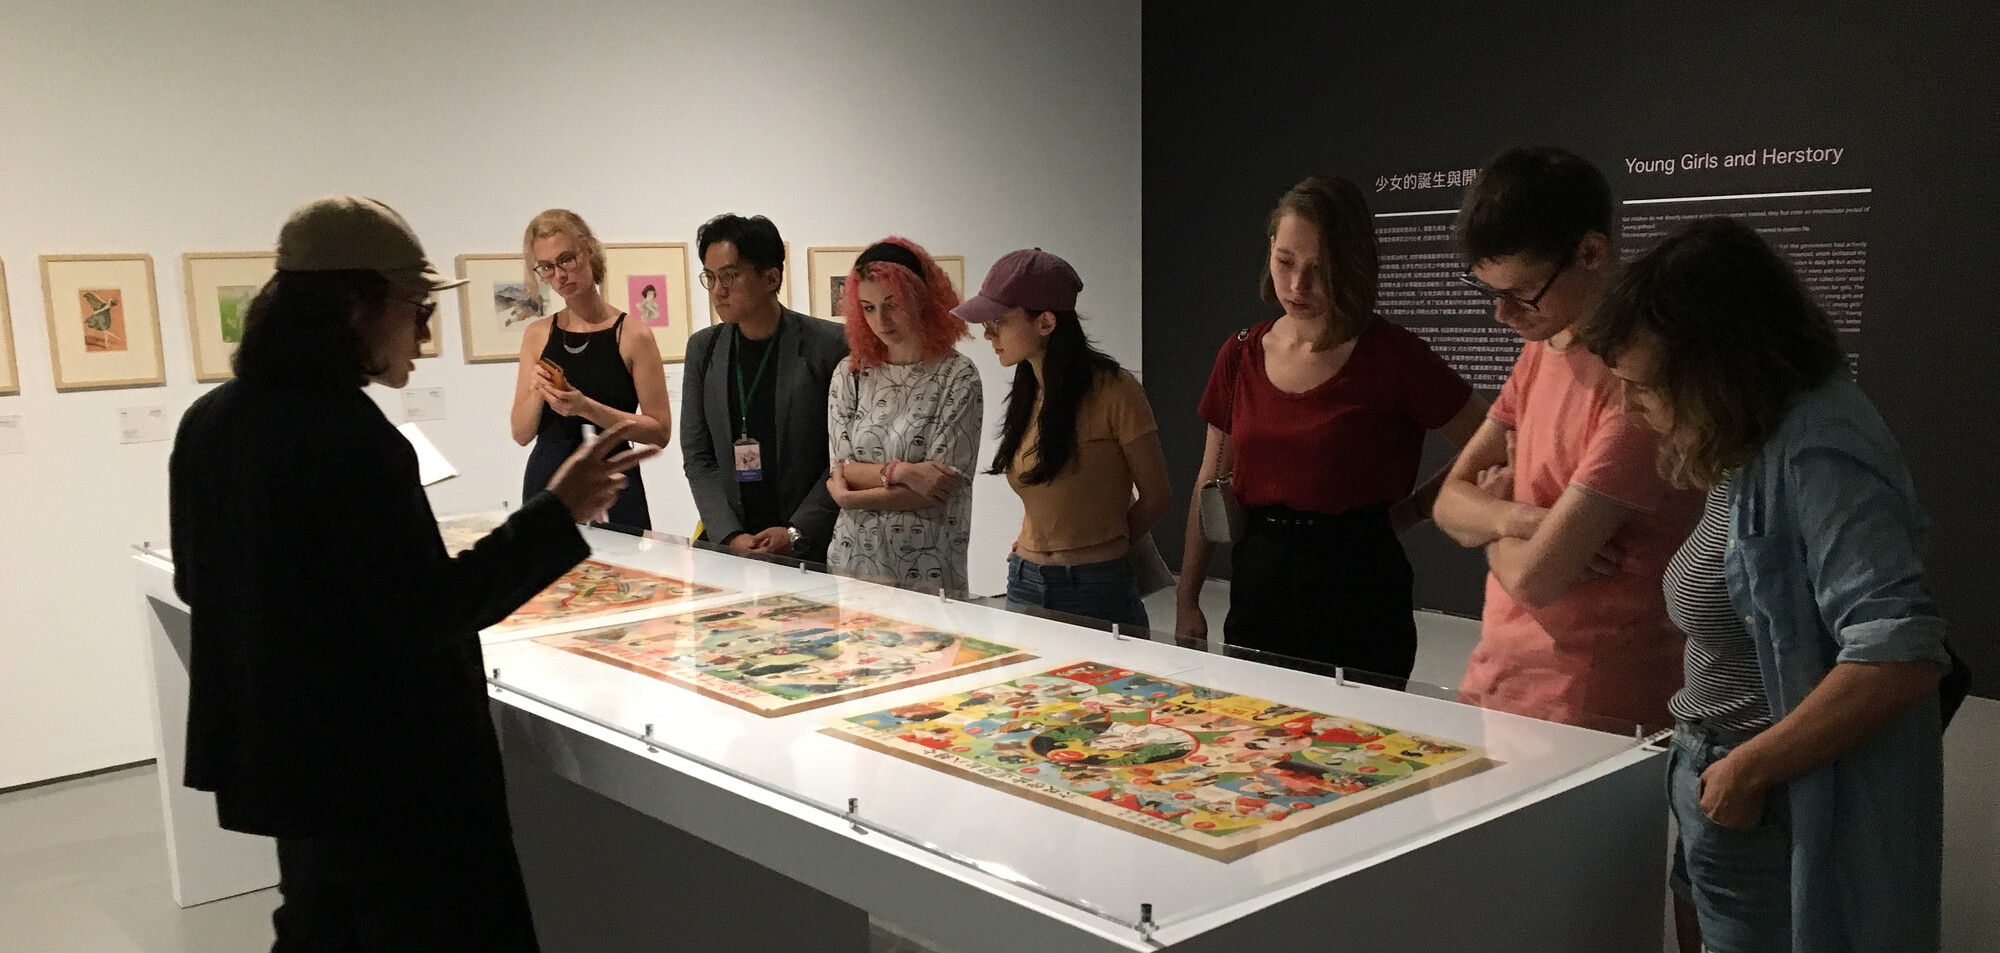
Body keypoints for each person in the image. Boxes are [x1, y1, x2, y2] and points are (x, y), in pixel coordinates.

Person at [169, 195, 654, 952]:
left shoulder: (212, 422)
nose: (425, 333)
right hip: (392, 782)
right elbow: (428, 610)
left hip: (297, 770)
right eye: (416, 308)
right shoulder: (349, 438)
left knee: (319, 924)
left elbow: (198, 584)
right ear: (352, 306)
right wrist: (558, 513)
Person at [1575, 216, 1949, 953]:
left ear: (1718, 367)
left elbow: (1898, 654)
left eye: (1646, 386)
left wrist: (1745, 771)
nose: (1627, 407)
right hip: (1730, 779)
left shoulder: (1817, 449)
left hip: (1764, 793)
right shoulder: (1755, 439)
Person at [1431, 146, 1703, 731]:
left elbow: (1539, 579)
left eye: (1522, 292)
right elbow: (1447, 502)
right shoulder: (1544, 346)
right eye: (1492, 293)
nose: (1503, 314)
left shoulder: (1639, 384)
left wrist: (1493, 519)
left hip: (1591, 703)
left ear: (1591, 253)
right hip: (1499, 679)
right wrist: (1523, 521)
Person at [1176, 176, 1485, 680]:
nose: (1298, 286)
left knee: (1360, 727)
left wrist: (1417, 508)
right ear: (1269, 251)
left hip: (1358, 583)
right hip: (1261, 579)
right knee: (1258, 721)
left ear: (1352, 264)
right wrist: (1187, 597)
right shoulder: (1241, 353)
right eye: (1286, 262)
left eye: (1320, 269)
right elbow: (1209, 477)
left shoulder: (1394, 356)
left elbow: (1491, 440)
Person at [954, 248, 1169, 629]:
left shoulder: (1116, 390)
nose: (988, 333)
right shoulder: (1027, 390)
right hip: (1025, 579)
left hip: (1097, 586)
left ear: (1046, 322)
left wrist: (1106, 545)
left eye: (999, 321)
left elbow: (1157, 496)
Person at [684, 213, 848, 561]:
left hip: (810, 545)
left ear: (771, 278)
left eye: (729, 276)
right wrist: (729, 534)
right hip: (730, 546)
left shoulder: (829, 346)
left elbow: (843, 454)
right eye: (710, 277)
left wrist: (797, 531)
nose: (717, 291)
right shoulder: (704, 349)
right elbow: (698, 456)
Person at [825, 238, 983, 594]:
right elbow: (842, 468)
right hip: (854, 563)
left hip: (929, 566)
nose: (880, 321)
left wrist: (850, 499)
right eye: (868, 308)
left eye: (891, 304)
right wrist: (904, 473)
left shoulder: (957, 375)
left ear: (921, 299)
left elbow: (937, 488)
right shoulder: (851, 372)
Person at [509, 209, 672, 529]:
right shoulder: (537, 334)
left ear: (589, 252)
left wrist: (585, 407)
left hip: (611, 477)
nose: (559, 275)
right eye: (547, 267)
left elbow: (660, 431)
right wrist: (540, 390)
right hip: (549, 476)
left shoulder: (633, 335)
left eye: (566, 260)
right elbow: (521, 433)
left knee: (622, 560)